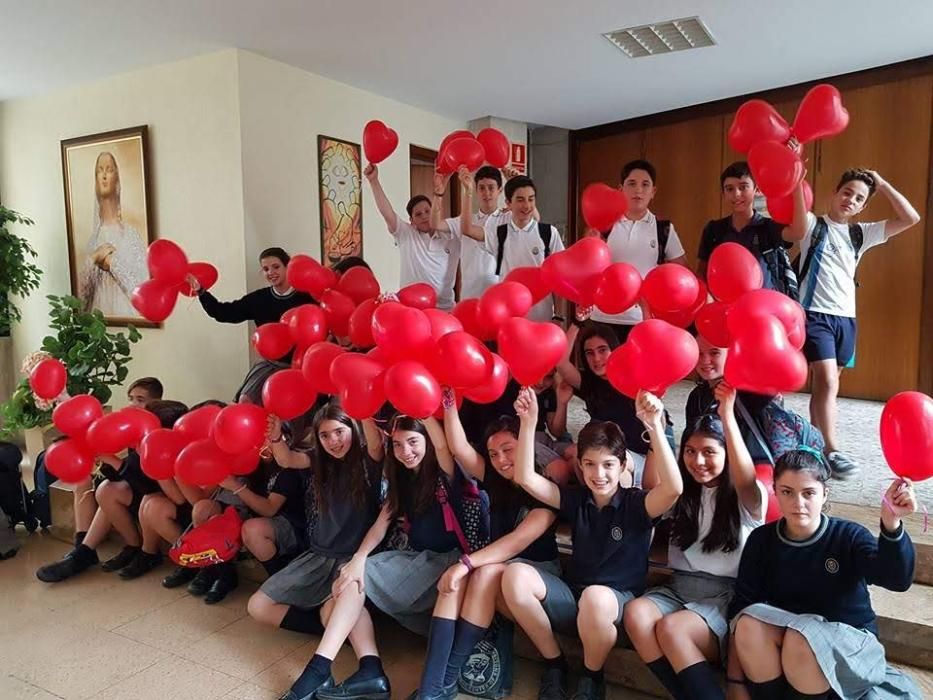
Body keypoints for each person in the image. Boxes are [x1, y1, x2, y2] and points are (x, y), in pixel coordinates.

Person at [503, 388, 683, 700]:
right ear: (581, 466)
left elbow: (673, 489)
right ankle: (555, 664)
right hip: (575, 600)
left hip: (616, 608)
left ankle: (591, 677)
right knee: (514, 575)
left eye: (608, 465)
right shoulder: (577, 500)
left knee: (597, 599)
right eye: (589, 464)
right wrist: (529, 422)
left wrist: (654, 427)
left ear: (623, 464)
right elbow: (526, 479)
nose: (598, 474)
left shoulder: (637, 504)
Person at [281, 415, 477, 700]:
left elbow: (446, 449)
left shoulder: (444, 472)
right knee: (332, 604)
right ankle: (370, 671)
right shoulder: (403, 478)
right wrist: (359, 557)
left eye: (413, 442)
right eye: (397, 445)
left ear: (428, 443)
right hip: (415, 562)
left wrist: (425, 412)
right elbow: (381, 524)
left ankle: (317, 671)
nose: (405, 451)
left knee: (356, 579)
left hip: (445, 563)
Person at [405, 391, 561, 699]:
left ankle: (445, 678)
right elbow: (460, 449)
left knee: (480, 571)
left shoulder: (546, 492)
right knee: (460, 580)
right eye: (493, 454)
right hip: (498, 576)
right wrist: (448, 402)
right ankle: (434, 687)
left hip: (537, 584)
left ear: (526, 447)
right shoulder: (496, 479)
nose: (501, 459)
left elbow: (514, 543)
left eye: (508, 449)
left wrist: (466, 564)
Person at [729, 449, 920, 699]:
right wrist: (735, 681)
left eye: (808, 493)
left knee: (803, 639)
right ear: (775, 491)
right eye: (787, 492)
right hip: (790, 642)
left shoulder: (848, 536)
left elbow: (897, 579)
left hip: (850, 642)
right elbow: (740, 608)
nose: (798, 503)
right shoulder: (761, 540)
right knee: (748, 625)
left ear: (824, 493)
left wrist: (891, 525)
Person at [624, 383, 766, 699]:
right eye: (690, 451)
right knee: (636, 614)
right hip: (679, 588)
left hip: (723, 598)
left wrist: (728, 416)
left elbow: (745, 477)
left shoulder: (748, 499)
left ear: (727, 454)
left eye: (709, 452)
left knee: (672, 628)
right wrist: (653, 426)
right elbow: (653, 485)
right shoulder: (681, 492)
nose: (698, 461)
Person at [785, 169, 921, 479]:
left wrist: (882, 183)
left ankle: (818, 446)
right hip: (814, 314)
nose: (851, 200)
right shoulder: (812, 226)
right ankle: (832, 449)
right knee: (828, 381)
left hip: (846, 318)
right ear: (835, 192)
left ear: (862, 207)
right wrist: (794, 174)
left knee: (829, 386)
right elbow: (795, 207)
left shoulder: (861, 233)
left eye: (859, 198)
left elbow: (911, 218)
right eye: (847, 192)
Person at [248, 405, 389, 700]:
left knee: (334, 606)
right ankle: (340, 626)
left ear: (353, 428)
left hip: (352, 558)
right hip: (318, 557)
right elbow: (286, 458)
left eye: (340, 431)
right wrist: (276, 438)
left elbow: (375, 441)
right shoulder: (318, 461)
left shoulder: (368, 460)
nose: (334, 441)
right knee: (258, 606)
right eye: (325, 435)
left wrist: (360, 400)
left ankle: (345, 667)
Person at [34, 400, 188, 583]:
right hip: (147, 494)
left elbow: (155, 488)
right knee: (105, 490)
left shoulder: (165, 444)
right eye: (132, 397)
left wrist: (116, 462)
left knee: (148, 501)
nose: (133, 405)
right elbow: (130, 478)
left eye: (140, 399)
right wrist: (103, 459)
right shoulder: (138, 438)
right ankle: (118, 547)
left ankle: (163, 555)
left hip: (169, 503)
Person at [190, 247, 316, 402]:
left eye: (276, 267)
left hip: (301, 367)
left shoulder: (308, 297)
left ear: (287, 267)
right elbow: (224, 312)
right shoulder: (259, 299)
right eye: (266, 269)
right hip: (269, 365)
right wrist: (201, 291)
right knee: (245, 400)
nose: (271, 273)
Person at [557, 322, 668, 487]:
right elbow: (561, 363)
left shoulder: (634, 379)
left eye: (602, 350)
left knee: (613, 469)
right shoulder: (589, 382)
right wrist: (576, 323)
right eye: (590, 353)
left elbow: (651, 350)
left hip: (638, 459)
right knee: (576, 456)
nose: (596, 358)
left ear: (614, 350)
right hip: (603, 452)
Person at [587, 160, 687, 341]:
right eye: (631, 184)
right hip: (603, 317)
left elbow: (680, 272)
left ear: (653, 192)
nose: (638, 190)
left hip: (642, 319)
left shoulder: (663, 228)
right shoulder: (604, 225)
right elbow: (586, 269)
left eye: (645, 184)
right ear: (620, 189)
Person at [459, 174, 564, 321]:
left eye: (531, 199)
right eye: (520, 200)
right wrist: (468, 191)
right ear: (508, 203)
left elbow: (558, 278)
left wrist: (558, 316)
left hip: (543, 319)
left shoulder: (548, 233)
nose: (527, 206)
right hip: (508, 320)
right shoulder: (499, 234)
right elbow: (467, 229)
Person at [364, 163, 461, 310]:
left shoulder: (451, 237)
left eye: (428, 211)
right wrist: (374, 181)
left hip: (444, 310)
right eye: (418, 214)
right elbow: (387, 213)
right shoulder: (406, 234)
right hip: (412, 311)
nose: (424, 216)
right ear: (412, 221)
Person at [697, 161, 795, 296]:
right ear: (723, 193)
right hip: (725, 309)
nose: (737, 194)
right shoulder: (714, 229)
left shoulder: (768, 227)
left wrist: (796, 177)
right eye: (729, 189)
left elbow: (798, 232)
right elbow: (702, 272)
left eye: (743, 187)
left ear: (756, 189)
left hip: (764, 307)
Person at [80, 151, 148, 318]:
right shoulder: (93, 240)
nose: (103, 175)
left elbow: (143, 290)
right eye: (99, 170)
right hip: (100, 325)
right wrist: (94, 257)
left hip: (127, 320)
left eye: (109, 170)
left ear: (117, 179)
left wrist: (111, 262)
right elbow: (81, 297)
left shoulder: (130, 236)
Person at [430, 166, 506, 300]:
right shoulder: (466, 220)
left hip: (499, 296)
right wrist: (438, 194)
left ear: (500, 190)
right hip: (469, 296)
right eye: (481, 188)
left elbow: (533, 219)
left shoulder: (508, 218)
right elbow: (435, 224)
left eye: (491, 188)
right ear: (476, 190)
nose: (486, 193)